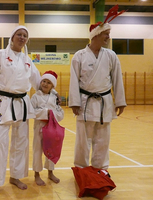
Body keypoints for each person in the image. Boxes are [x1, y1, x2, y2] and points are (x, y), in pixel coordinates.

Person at [0, 25, 41, 198]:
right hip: (4, 102)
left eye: (25, 36)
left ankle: (16, 176)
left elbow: (38, 82)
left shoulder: (28, 60)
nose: (22, 38)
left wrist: (52, 92)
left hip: (22, 102)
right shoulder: (0, 55)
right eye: (19, 35)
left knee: (21, 142)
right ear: (12, 37)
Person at [69, 5, 127, 170]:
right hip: (85, 101)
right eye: (105, 34)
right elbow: (74, 80)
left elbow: (117, 79)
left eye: (109, 35)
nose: (108, 38)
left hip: (104, 102)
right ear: (95, 36)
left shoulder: (111, 56)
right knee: (82, 139)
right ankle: (80, 168)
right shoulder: (79, 56)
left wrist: (120, 101)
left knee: (103, 139)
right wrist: (74, 102)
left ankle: (101, 168)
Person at [31, 70, 64, 186]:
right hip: (39, 126)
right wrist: (46, 113)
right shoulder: (35, 96)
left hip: (52, 127)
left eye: (48, 82)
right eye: (43, 81)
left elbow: (60, 113)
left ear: (52, 86)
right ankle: (37, 174)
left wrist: (53, 114)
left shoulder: (54, 97)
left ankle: (50, 172)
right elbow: (32, 112)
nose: (45, 84)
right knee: (37, 150)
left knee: (52, 149)